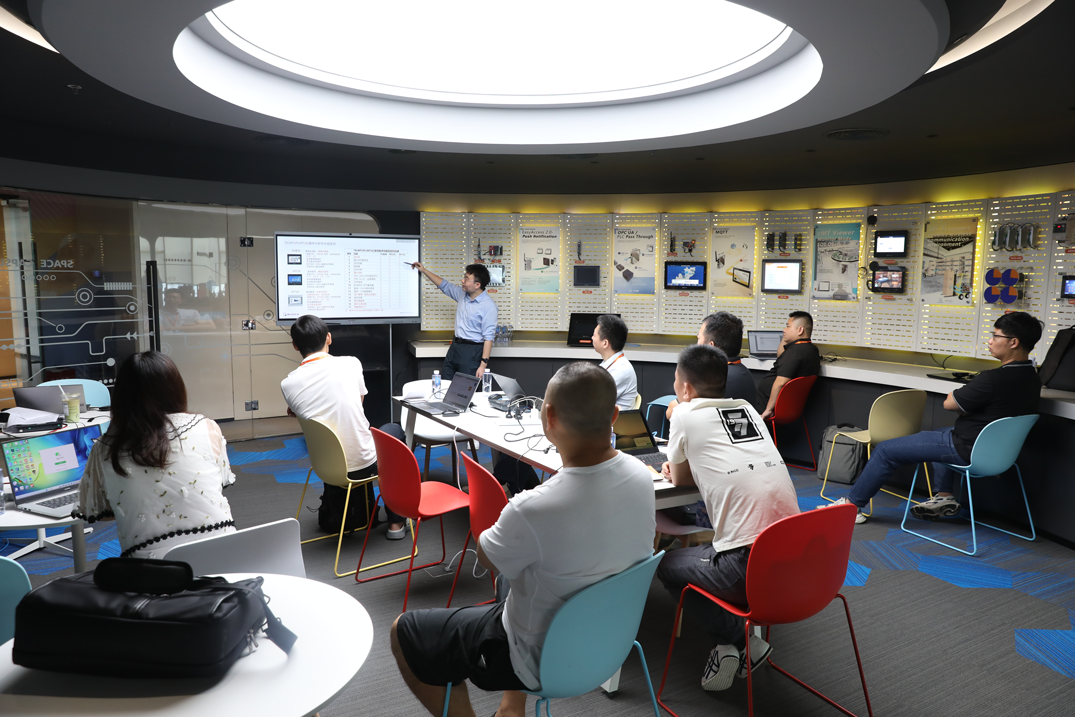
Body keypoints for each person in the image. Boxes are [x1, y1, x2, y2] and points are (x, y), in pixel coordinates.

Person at [390, 362, 656, 717]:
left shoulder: (532, 508)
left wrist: (499, 516)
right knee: (516, 576)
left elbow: (486, 558)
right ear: (615, 416)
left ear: (549, 417)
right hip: (610, 645)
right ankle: (511, 708)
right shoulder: (642, 477)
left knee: (404, 631)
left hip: (537, 660)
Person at [656, 344, 799, 692]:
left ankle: (734, 641)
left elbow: (681, 479)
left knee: (666, 564)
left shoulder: (683, 414)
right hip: (799, 561)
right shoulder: (747, 409)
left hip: (749, 567)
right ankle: (745, 644)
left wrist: (674, 454)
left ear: (684, 388)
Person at [832, 311, 1042, 524]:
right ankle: (944, 496)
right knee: (938, 433)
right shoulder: (1032, 378)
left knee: (885, 451)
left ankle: (850, 507)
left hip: (965, 448)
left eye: (995, 336)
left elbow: (949, 403)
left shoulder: (992, 379)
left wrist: (965, 407)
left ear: (1013, 342)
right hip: (997, 454)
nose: (990, 341)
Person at [75, 351, 236, 558]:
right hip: (226, 555)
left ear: (121, 397)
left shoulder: (104, 448)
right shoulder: (207, 427)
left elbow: (100, 511)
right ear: (176, 389)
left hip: (152, 569)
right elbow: (216, 483)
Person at [281, 314, 407, 539]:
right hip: (364, 464)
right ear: (329, 338)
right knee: (394, 431)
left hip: (326, 467)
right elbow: (357, 405)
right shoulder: (351, 363)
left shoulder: (288, 384)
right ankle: (396, 522)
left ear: (295, 346)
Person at [411, 262, 497, 381]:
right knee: (445, 384)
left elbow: (488, 338)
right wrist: (424, 270)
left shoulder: (489, 306)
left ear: (477, 285)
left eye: (466, 279)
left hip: (472, 351)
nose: (462, 281)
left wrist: (483, 365)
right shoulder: (462, 294)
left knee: (465, 388)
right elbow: (444, 285)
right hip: (455, 347)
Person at [665, 311, 756, 419]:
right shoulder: (744, 373)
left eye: (699, 338)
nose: (697, 344)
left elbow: (672, 412)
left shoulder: (714, 377)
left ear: (711, 346)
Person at [757, 311, 821, 420]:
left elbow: (780, 383)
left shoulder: (794, 352)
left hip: (768, 407)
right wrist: (787, 336)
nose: (784, 330)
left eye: (788, 326)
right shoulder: (811, 349)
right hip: (791, 408)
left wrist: (768, 410)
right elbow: (780, 355)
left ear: (800, 330)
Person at [592, 314, 638, 409]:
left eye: (594, 335)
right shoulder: (610, 363)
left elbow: (592, 400)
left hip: (615, 418)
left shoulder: (620, 371)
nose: (592, 338)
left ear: (605, 343)